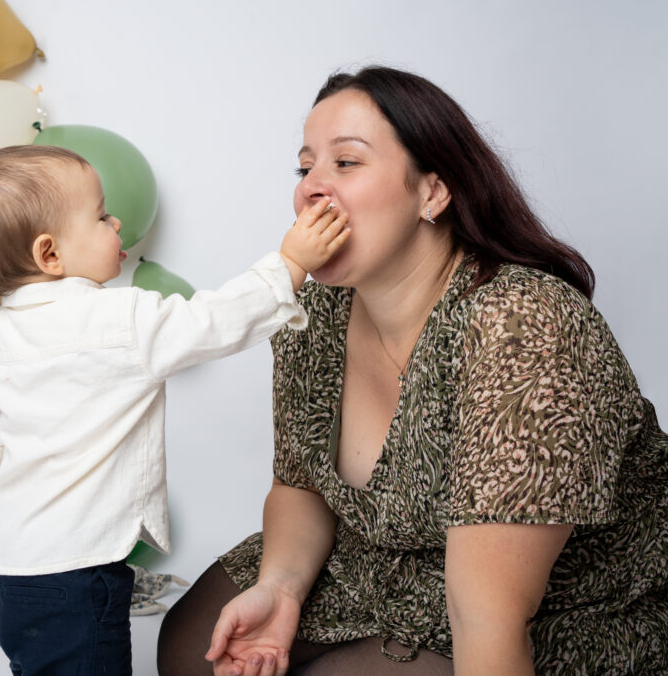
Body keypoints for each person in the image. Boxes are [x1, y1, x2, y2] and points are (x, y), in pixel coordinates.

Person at [156, 66, 668, 676]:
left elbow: (488, 613)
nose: (312, 190)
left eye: (346, 163)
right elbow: (302, 481)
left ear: (432, 193)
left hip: (559, 598)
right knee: (191, 651)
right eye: (304, 168)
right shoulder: (316, 307)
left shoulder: (521, 324)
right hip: (382, 559)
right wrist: (283, 588)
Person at [0, 144, 351, 675]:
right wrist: (292, 264)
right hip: (79, 572)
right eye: (99, 216)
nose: (115, 222)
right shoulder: (119, 319)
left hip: (6, 570)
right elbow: (214, 322)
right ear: (50, 255)